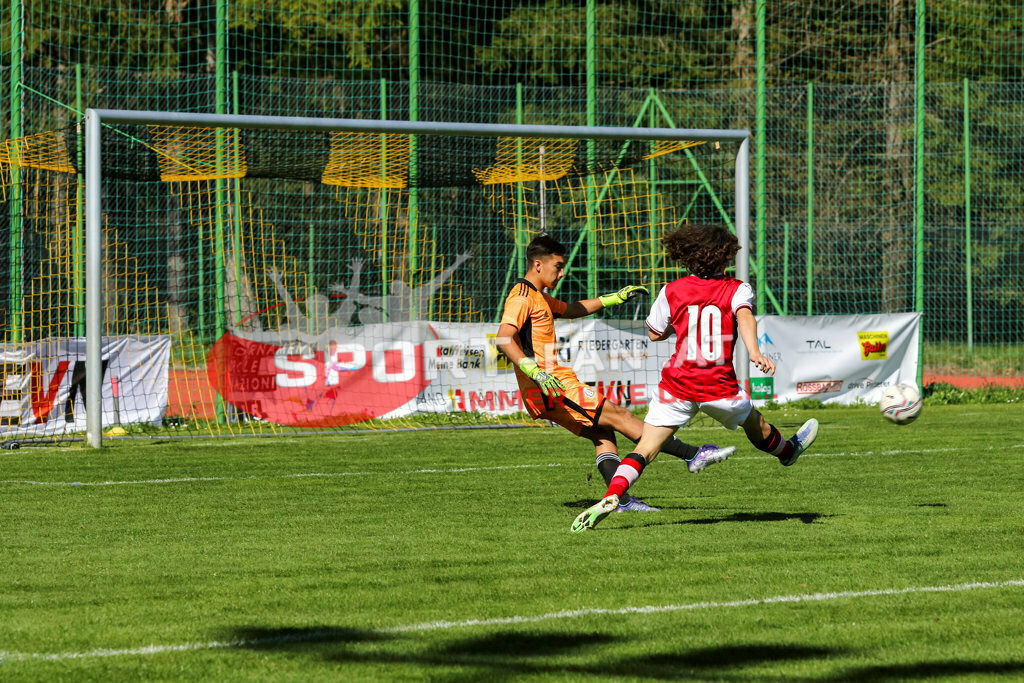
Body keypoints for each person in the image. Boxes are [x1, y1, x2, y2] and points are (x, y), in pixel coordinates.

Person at [571, 223, 819, 532]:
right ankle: (788, 452)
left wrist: (680, 322)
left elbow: (654, 333)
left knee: (645, 448)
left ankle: (613, 494)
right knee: (757, 424)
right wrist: (755, 352)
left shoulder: (671, 290)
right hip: (718, 386)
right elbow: (744, 316)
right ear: (723, 256)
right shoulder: (737, 288)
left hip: (677, 385)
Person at [496, 234, 735, 514]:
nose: (562, 273)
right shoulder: (521, 297)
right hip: (552, 386)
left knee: (603, 433)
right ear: (538, 264)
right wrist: (534, 371)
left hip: (548, 386)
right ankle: (693, 455)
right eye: (558, 267)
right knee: (621, 416)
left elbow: (571, 310)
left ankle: (619, 501)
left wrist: (612, 299)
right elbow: (503, 339)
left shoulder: (539, 297)